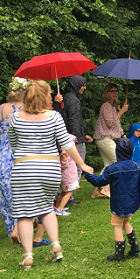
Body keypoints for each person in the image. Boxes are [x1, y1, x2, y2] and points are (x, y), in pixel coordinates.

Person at [9, 80, 93, 270]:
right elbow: (67, 142)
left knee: (24, 214)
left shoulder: (16, 118)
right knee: (47, 208)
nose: (50, 97)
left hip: (23, 167)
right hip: (49, 168)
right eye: (48, 94)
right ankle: (56, 246)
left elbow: (13, 145)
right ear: (42, 96)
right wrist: (82, 164)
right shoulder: (54, 116)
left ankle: (28, 256)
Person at [85, 138, 140, 261]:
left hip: (119, 204)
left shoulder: (111, 169)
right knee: (125, 222)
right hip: (132, 203)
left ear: (117, 151)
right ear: (131, 151)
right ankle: (134, 247)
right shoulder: (138, 166)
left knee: (117, 225)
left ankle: (119, 255)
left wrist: (88, 175)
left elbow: (99, 181)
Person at [0, 77, 30, 243]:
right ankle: (21, 227)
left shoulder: (1, 109)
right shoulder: (28, 110)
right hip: (19, 151)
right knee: (22, 188)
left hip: (1, 152)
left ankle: (12, 228)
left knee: (3, 189)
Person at [93, 83, 128, 198]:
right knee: (118, 161)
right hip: (104, 138)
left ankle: (96, 191)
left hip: (104, 138)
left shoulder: (112, 107)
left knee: (108, 165)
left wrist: (122, 134)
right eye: (112, 91)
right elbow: (110, 123)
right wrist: (122, 111)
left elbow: (116, 124)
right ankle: (106, 189)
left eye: (116, 91)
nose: (115, 93)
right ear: (106, 93)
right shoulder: (106, 106)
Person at [63, 75, 94, 206]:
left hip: (67, 136)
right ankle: (70, 198)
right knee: (76, 167)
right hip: (74, 139)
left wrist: (84, 133)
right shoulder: (74, 100)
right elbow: (74, 121)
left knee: (67, 167)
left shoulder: (65, 98)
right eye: (83, 85)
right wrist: (76, 139)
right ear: (77, 85)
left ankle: (64, 195)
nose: (84, 88)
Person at [54, 134, 79, 216]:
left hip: (68, 176)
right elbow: (64, 165)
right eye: (74, 142)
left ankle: (57, 207)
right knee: (69, 193)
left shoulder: (65, 151)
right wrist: (64, 159)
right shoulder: (65, 153)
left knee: (63, 192)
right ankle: (60, 209)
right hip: (68, 177)